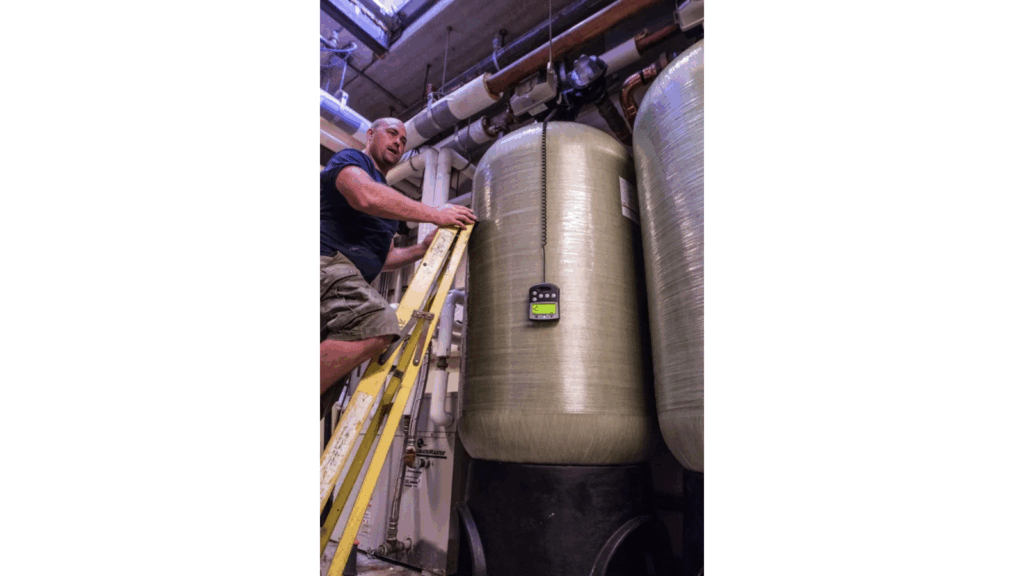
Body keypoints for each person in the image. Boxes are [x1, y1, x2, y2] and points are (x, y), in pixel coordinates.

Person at [320, 117, 476, 396]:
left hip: (343, 285)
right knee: (375, 325)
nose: (398, 143)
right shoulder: (352, 160)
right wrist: (437, 214)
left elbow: (386, 259)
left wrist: (420, 248)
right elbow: (364, 196)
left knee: (327, 386)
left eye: (403, 141)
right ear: (370, 135)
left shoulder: (386, 203)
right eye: (392, 134)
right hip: (326, 265)